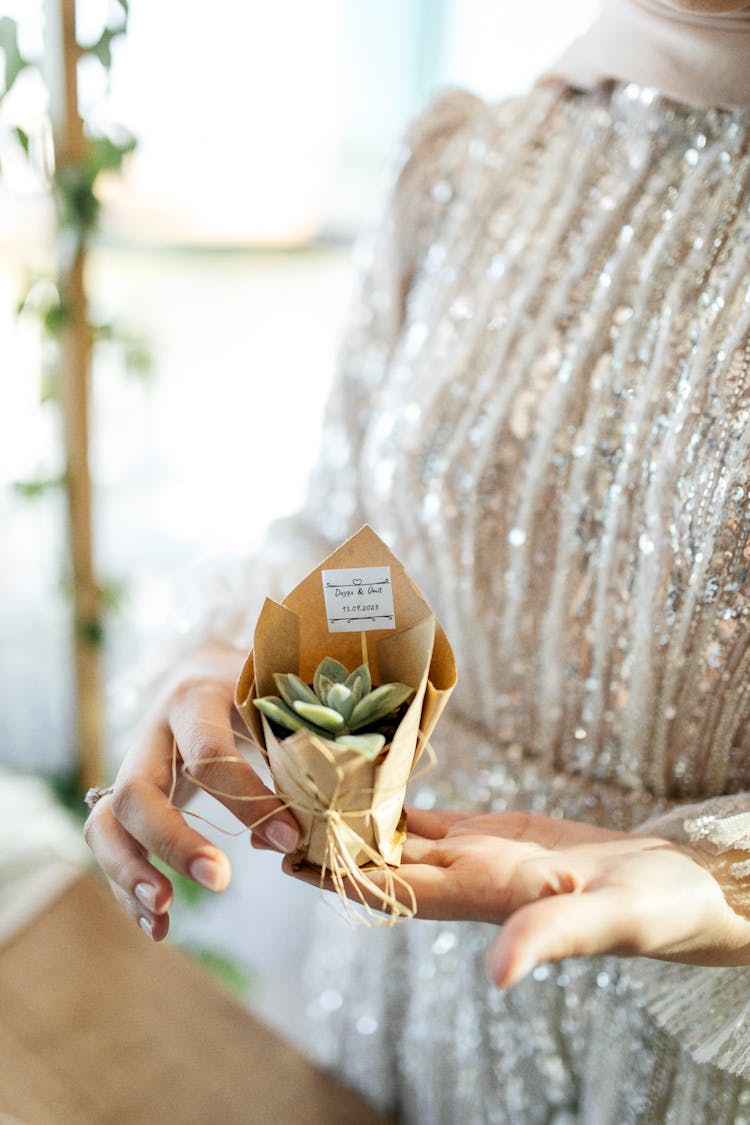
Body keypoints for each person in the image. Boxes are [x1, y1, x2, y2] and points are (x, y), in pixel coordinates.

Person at [85, 1, 750, 1120]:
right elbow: (346, 540)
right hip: (399, 969)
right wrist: (217, 670)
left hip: (694, 1047)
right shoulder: (467, 163)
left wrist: (723, 885)